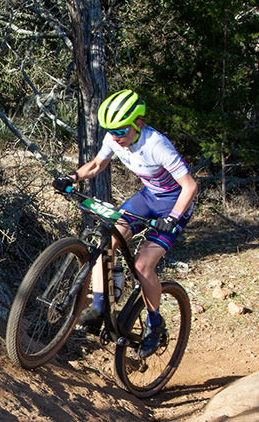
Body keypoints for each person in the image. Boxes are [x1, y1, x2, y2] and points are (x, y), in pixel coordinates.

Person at [52, 89, 197, 358]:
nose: (115, 136)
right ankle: (100, 305)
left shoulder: (157, 145)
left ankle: (154, 323)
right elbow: (97, 164)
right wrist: (72, 177)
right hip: (148, 197)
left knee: (143, 264)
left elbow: (189, 186)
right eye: (110, 130)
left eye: (121, 130)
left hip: (174, 203)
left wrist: (173, 217)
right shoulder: (114, 138)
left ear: (138, 123)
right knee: (107, 240)